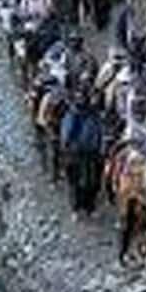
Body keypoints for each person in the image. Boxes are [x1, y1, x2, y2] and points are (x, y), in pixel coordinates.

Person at [60, 86, 104, 217]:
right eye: (80, 98)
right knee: (75, 182)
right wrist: (68, 147)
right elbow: (66, 134)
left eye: (84, 98)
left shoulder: (93, 114)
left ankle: (90, 207)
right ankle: (76, 208)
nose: (82, 101)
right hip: (76, 153)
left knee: (94, 182)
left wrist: (100, 146)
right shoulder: (72, 115)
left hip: (92, 153)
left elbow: (99, 131)